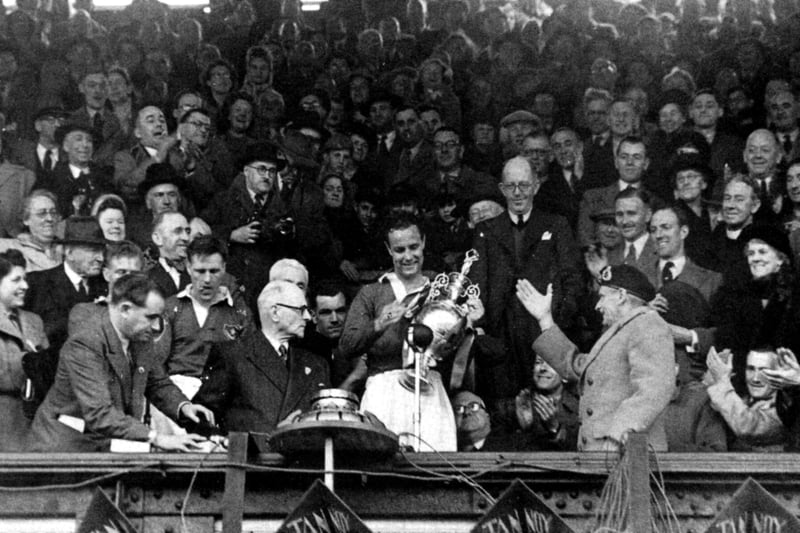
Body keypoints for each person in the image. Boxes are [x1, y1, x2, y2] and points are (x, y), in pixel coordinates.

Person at [340, 213, 483, 451]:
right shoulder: (372, 293)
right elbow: (347, 345)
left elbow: (458, 354)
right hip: (384, 392)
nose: (408, 256)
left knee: (436, 469)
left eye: (414, 247)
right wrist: (380, 322)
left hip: (431, 390)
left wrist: (469, 324)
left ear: (424, 242)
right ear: (388, 249)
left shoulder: (443, 290)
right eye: (399, 249)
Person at [28, 273, 215, 452]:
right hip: (65, 448)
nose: (156, 326)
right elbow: (99, 414)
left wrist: (183, 407)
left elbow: (157, 382)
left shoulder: (141, 335)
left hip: (105, 443)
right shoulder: (85, 343)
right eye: (150, 317)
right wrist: (158, 438)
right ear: (125, 309)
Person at [516, 265, 675, 452]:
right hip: (606, 455)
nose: (597, 306)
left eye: (602, 297)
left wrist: (619, 435)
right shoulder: (623, 331)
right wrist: (545, 319)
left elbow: (655, 387)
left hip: (625, 455)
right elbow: (579, 367)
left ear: (621, 296)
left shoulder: (647, 324)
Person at [471, 156, 582, 413]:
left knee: (547, 408)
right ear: (501, 189)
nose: (518, 193)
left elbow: (572, 278)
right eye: (511, 186)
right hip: (502, 336)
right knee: (506, 409)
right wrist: (483, 329)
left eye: (524, 185)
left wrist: (558, 323)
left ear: (536, 186)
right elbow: (476, 284)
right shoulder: (485, 230)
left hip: (544, 330)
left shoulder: (556, 225)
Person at [191, 280, 329, 438]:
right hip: (252, 460)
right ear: (275, 313)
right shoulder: (232, 355)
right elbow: (198, 418)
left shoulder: (316, 364)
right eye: (301, 310)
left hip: (301, 459)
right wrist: (227, 444)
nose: (307, 317)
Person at [151, 235, 254, 435]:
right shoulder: (171, 308)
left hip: (223, 399)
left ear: (224, 268)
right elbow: (156, 364)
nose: (207, 279)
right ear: (188, 267)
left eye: (214, 271)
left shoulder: (239, 313)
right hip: (176, 395)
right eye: (200, 271)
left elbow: (251, 367)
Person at [25, 216, 108, 352]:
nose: (101, 258)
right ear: (69, 253)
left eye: (102, 250)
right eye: (93, 251)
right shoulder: (36, 284)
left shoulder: (106, 286)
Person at [0, 250, 48, 451]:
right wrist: (31, 362)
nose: (25, 286)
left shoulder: (34, 321)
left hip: (34, 423)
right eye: (16, 280)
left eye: (25, 279)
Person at [706, 347, 787, 451]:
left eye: (764, 371)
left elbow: (747, 427)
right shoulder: (740, 400)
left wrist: (722, 382)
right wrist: (710, 381)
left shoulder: (787, 408)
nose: (755, 378)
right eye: (751, 369)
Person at [67, 240, 144, 336]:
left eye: (134, 273)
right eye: (121, 272)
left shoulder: (150, 314)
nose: (128, 278)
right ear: (107, 274)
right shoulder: (86, 314)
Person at [511, 355, 580, 451]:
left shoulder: (579, 408)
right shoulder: (518, 404)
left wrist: (555, 428)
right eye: (538, 362)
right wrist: (526, 428)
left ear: (564, 374)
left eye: (551, 364)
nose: (542, 368)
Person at [0, 190, 63, 272]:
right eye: (41, 213)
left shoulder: (67, 250)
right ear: (26, 219)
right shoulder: (7, 246)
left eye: (53, 213)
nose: (50, 218)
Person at [145, 211, 191, 298]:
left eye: (188, 232)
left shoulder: (197, 274)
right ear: (157, 238)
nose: (186, 238)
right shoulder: (146, 279)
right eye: (178, 231)